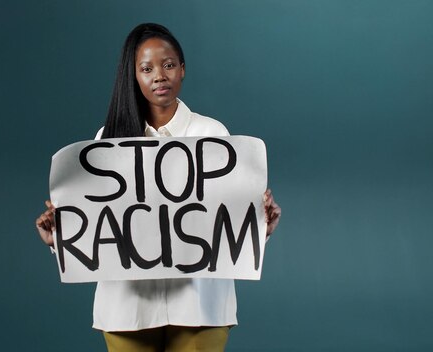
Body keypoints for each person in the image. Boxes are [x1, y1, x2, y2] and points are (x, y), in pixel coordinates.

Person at [35, 23, 281, 352]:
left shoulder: (214, 134)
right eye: (146, 68)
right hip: (127, 308)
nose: (159, 76)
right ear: (133, 76)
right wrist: (60, 239)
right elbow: (99, 224)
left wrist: (260, 225)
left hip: (200, 306)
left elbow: (223, 219)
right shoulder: (106, 141)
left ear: (182, 69)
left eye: (167, 65)